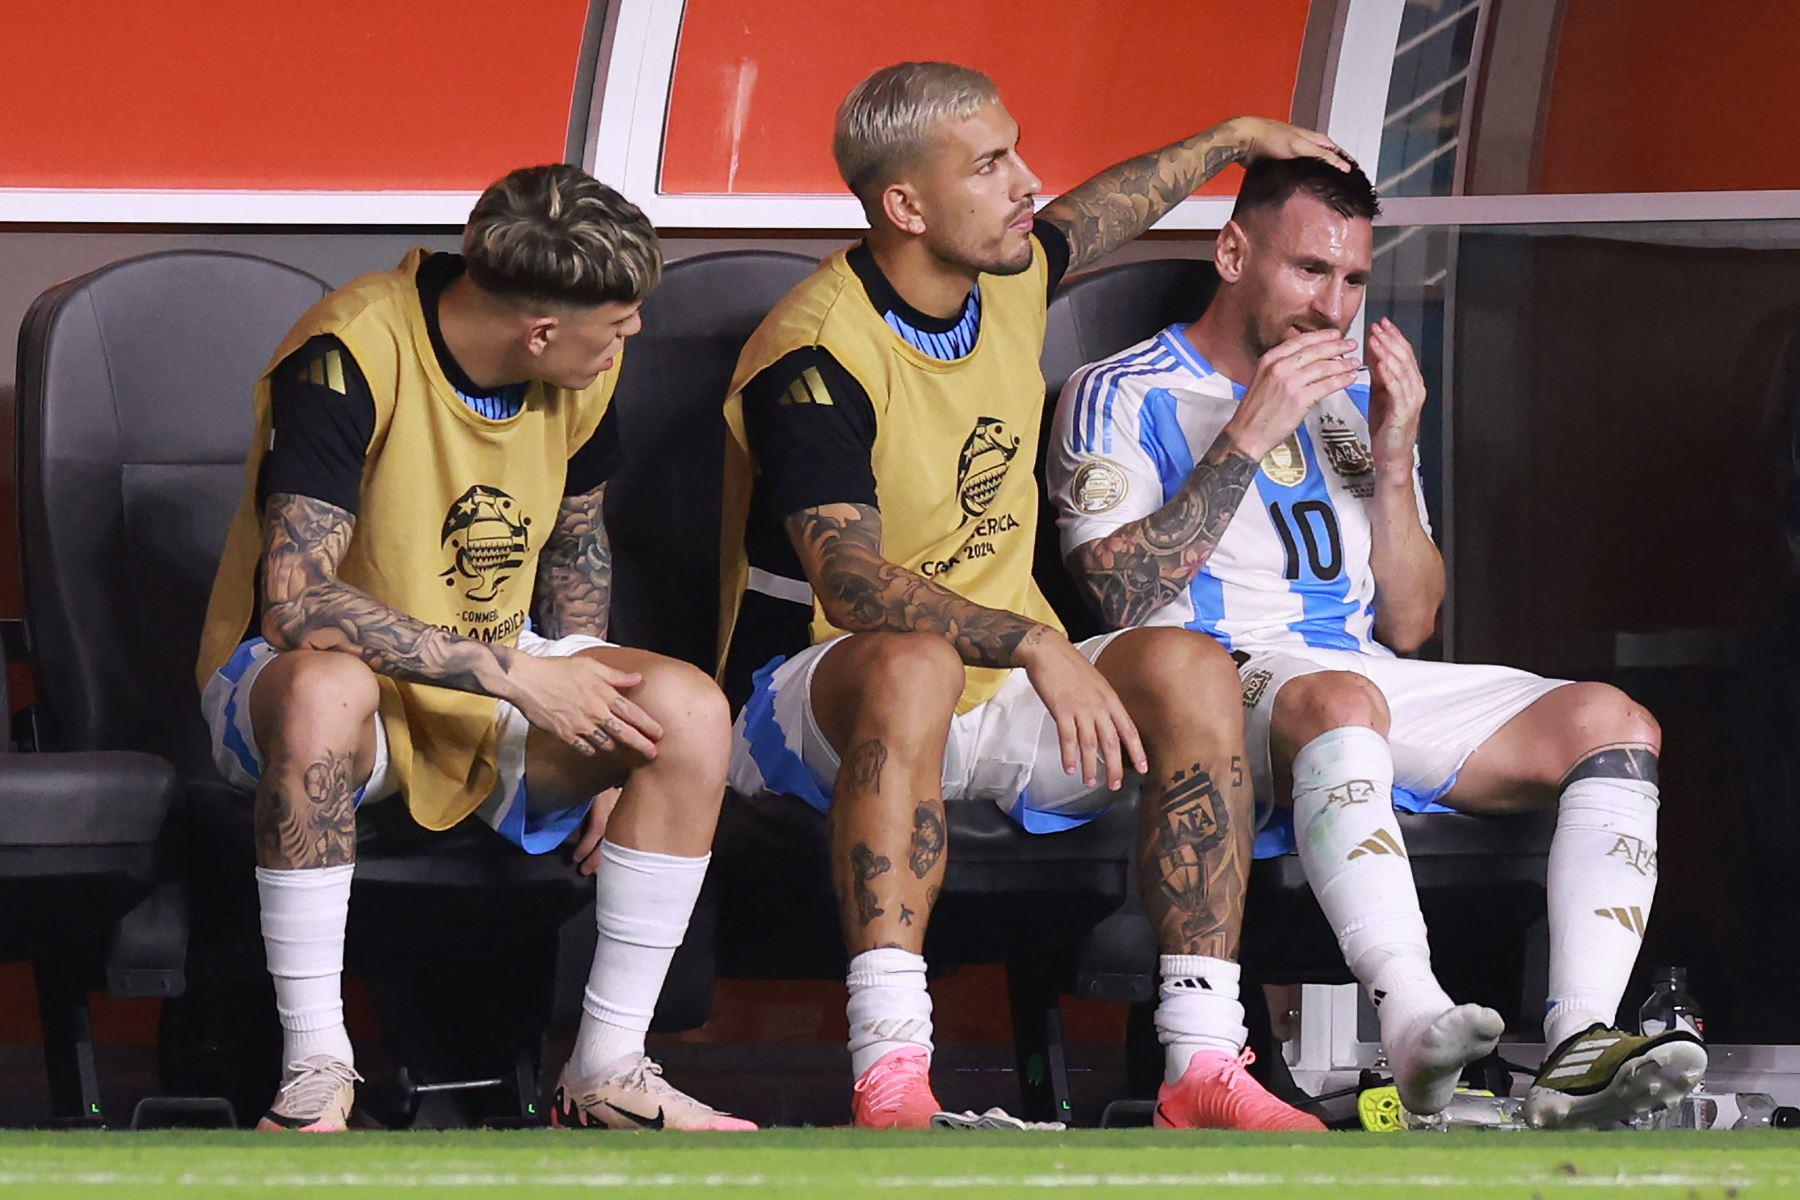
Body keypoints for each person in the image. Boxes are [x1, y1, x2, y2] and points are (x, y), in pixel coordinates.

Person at [718, 61, 1353, 1131]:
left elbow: (1100, 210)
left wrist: (1231, 133)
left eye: (1015, 150)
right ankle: (891, 1069)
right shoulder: (813, 352)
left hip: (997, 693)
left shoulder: (1004, 280)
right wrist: (1033, 642)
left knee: (1191, 661)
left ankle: (1200, 1061)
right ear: (905, 206)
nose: (1028, 181)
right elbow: (851, 580)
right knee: (915, 659)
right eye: (992, 164)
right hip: (813, 700)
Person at [1048, 154, 1706, 1128]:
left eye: (1355, 279)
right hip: (1198, 688)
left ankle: (1580, 1045)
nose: (1335, 305)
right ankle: (1414, 1023)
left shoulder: (1350, 411)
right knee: (1340, 700)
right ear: (1233, 252)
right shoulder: (1124, 389)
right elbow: (1114, 592)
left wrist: (1395, 458)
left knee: (1613, 721)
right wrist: (1247, 428)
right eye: (1311, 270)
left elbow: (1411, 621)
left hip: (1358, 674)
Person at [196, 164, 753, 1133]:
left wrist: (609, 747)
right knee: (328, 686)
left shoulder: (582, 366)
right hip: (299, 694)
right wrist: (519, 678)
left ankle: (608, 1070)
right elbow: (294, 602)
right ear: (539, 331)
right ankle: (317, 1070)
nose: (633, 338)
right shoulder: (349, 350)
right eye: (619, 323)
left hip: (497, 673)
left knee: (688, 710)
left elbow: (579, 541)